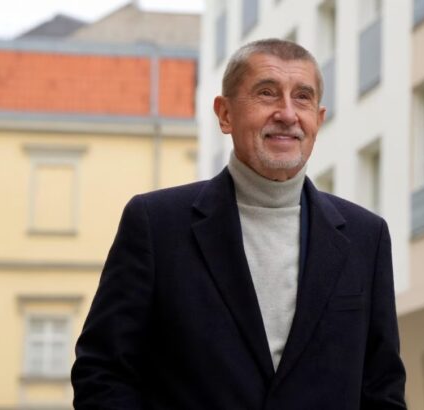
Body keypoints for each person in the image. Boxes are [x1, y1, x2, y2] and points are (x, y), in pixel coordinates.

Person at [72, 38, 406, 409]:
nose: (287, 113)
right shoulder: (155, 224)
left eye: (302, 98)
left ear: (319, 119)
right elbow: (102, 372)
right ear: (225, 114)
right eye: (267, 93)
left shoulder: (366, 237)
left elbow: (382, 388)